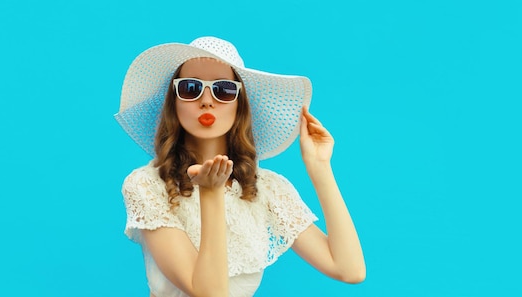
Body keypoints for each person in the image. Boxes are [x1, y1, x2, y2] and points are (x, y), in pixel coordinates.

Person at [115, 36, 365, 297]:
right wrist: (210, 193)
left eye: (223, 89)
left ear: (240, 104)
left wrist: (319, 167)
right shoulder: (147, 185)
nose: (207, 101)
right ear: (173, 103)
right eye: (191, 88)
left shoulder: (265, 188)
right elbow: (209, 292)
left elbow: (350, 269)